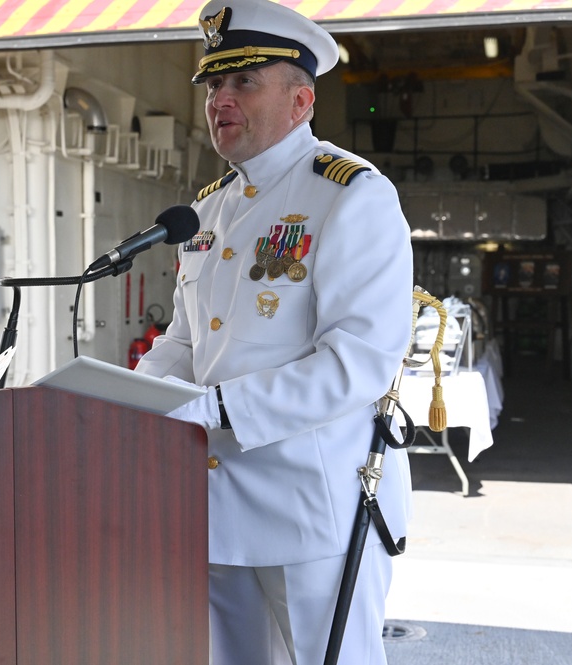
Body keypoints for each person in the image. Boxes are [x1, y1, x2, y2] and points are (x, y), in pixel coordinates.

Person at [134, 1, 414, 662]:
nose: (220, 99)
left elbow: (358, 362)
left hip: (313, 511)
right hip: (216, 503)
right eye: (213, 84)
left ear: (299, 100)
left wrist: (215, 407)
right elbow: (184, 342)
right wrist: (124, 398)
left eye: (243, 82)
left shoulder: (349, 195)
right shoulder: (208, 208)